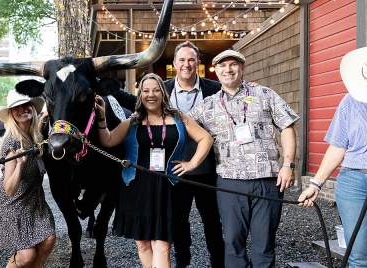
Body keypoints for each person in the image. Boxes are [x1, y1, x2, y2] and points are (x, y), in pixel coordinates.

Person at [298, 39, 367, 268]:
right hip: (354, 182)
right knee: (360, 254)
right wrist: (315, 184)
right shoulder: (350, 101)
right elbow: (338, 146)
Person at [190, 50, 299, 268]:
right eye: (222, 66)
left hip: (267, 181)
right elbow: (181, 126)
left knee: (264, 242)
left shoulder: (265, 94)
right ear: (216, 70)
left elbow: (287, 126)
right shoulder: (207, 105)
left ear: (242, 68)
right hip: (229, 183)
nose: (227, 69)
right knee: (232, 241)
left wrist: (288, 164)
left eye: (233, 64)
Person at [96, 73, 213, 268]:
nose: (151, 95)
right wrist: (101, 119)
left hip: (168, 187)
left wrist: (191, 164)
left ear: (163, 93)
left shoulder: (178, 118)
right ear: (140, 94)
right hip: (136, 187)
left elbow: (206, 139)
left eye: (156, 90)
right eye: (146, 90)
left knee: (162, 244)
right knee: (142, 244)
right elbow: (108, 140)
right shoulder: (133, 121)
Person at [165, 41, 224, 268]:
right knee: (178, 221)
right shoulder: (163, 88)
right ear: (174, 63)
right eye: (182, 60)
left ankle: (218, 262)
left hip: (207, 167)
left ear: (198, 63)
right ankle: (182, 262)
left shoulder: (214, 88)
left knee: (212, 221)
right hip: (175, 168)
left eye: (191, 60)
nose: (186, 64)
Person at [0, 88, 56, 268]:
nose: (23, 109)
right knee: (26, 256)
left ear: (33, 109)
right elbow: (9, 189)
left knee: (48, 241)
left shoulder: (36, 136)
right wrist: (19, 165)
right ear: (11, 113)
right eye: (17, 107)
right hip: (13, 206)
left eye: (26, 105)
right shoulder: (12, 143)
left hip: (34, 202)